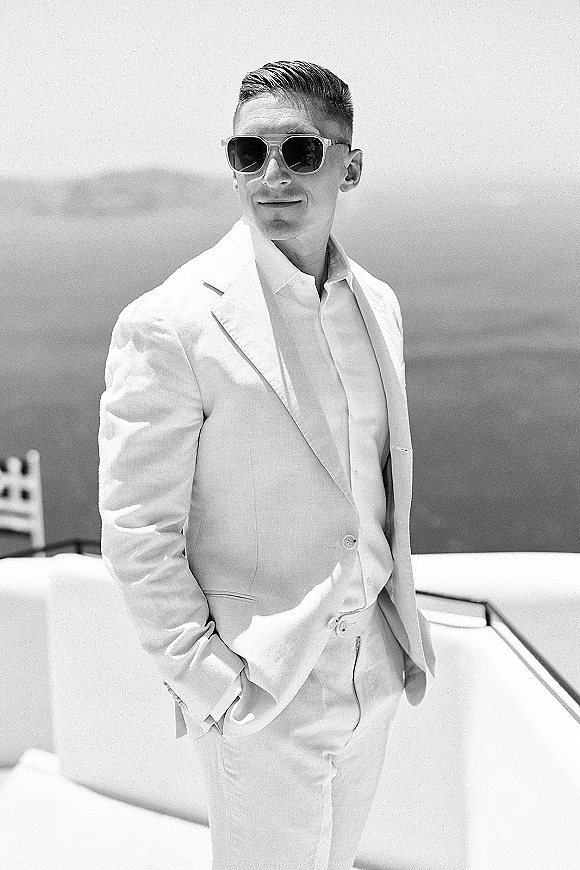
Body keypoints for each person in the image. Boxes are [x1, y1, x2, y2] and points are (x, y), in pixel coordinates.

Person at [98, 59, 435, 870]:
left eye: (300, 151)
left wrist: (393, 645)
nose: (272, 174)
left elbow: (374, 487)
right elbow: (139, 529)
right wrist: (212, 685)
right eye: (250, 153)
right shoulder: (170, 323)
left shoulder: (378, 303)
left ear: (350, 166)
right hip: (264, 687)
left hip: (377, 668)